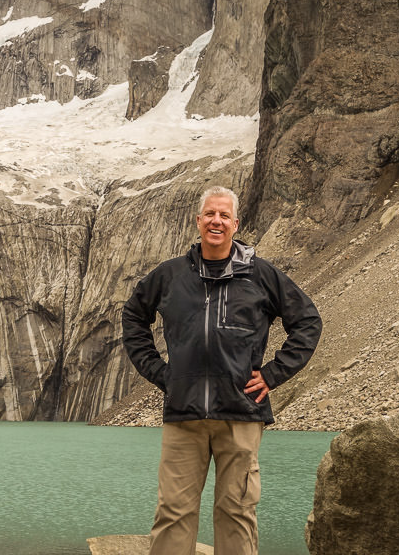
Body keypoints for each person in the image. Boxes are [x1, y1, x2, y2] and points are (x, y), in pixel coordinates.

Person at [121, 185, 321, 555]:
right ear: (198, 221)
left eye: (224, 215)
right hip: (184, 414)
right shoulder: (169, 276)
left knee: (237, 511)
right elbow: (134, 316)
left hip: (242, 413)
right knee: (173, 512)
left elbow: (307, 321)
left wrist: (274, 374)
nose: (216, 221)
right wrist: (161, 373)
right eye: (210, 214)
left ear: (235, 223)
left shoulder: (262, 275)